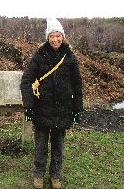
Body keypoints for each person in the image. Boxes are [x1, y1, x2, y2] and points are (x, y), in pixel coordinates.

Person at [20, 18, 83, 189]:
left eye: (58, 36)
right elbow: (26, 81)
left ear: (63, 37)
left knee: (58, 146)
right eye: (52, 36)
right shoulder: (39, 55)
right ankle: (38, 174)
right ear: (47, 38)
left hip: (63, 109)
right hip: (42, 109)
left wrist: (77, 109)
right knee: (40, 145)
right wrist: (29, 106)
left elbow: (77, 84)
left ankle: (55, 176)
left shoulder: (69, 56)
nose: (55, 40)